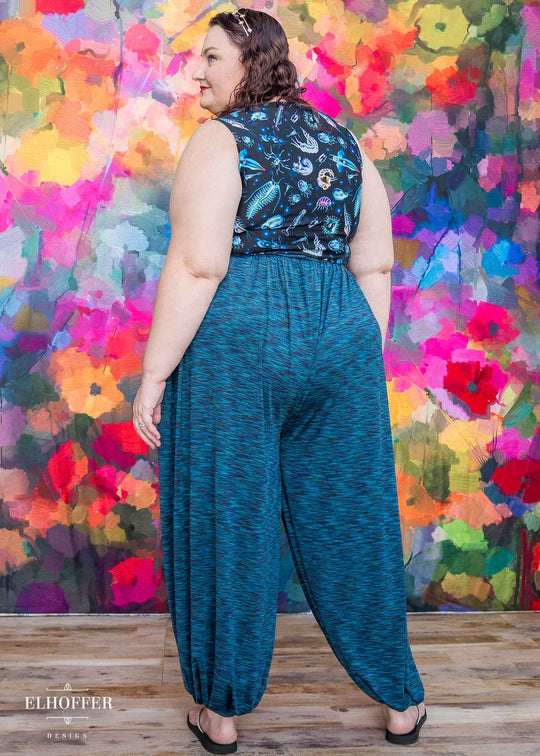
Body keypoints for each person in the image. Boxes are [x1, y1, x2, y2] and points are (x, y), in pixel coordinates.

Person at [132, 8, 427, 754]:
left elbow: (199, 264)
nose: (196, 72)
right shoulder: (345, 142)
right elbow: (375, 262)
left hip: (241, 336)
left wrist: (154, 373)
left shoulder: (220, 139)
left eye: (211, 57)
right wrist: (353, 353)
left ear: (251, 62)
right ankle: (401, 701)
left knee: (228, 516)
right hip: (343, 327)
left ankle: (221, 712)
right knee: (352, 516)